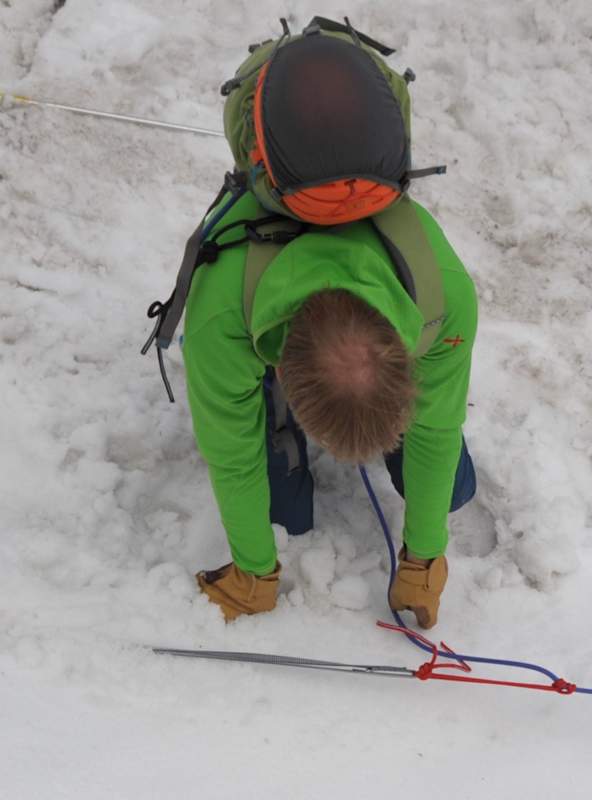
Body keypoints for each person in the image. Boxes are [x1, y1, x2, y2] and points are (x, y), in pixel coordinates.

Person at [176, 19, 476, 627]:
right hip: (264, 273)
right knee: (282, 517)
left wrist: (425, 557)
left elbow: (436, 427)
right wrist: (253, 571)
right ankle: (282, 426)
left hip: (345, 211)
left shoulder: (444, 298)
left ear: (408, 358)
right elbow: (231, 455)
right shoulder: (220, 316)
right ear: (282, 367)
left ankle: (397, 466)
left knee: (448, 492)